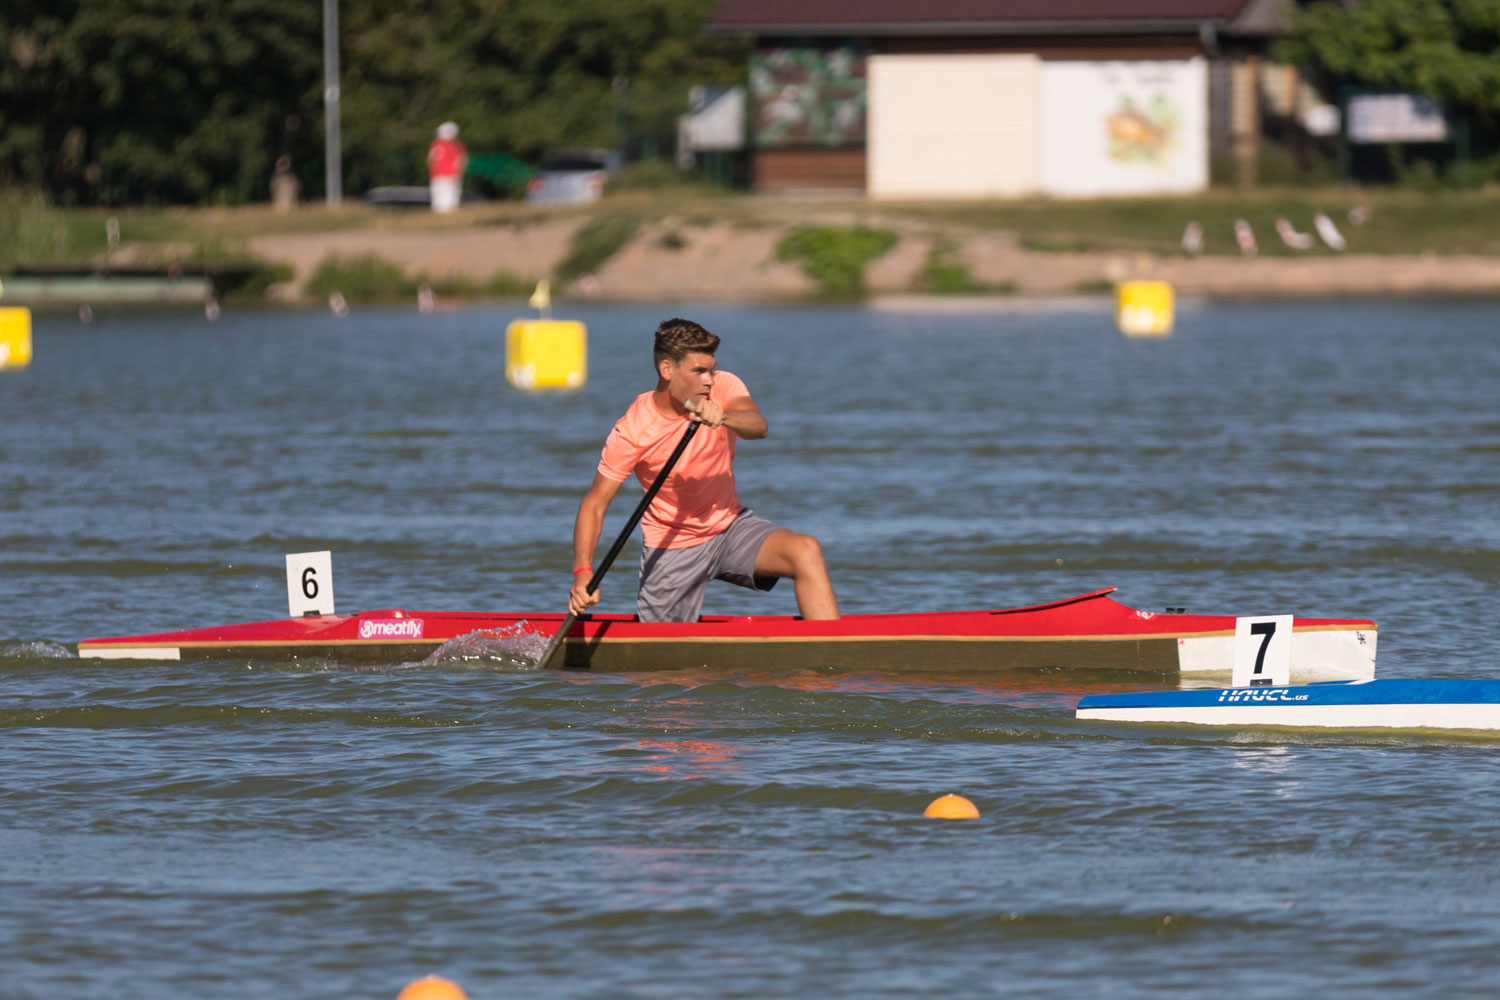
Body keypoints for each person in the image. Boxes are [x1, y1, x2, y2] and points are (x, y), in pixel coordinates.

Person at [569, 318, 839, 623]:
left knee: (805, 550)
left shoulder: (723, 386)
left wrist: (724, 416)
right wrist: (583, 572)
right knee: (665, 667)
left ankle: (832, 654)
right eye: (698, 371)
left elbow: (758, 426)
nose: (708, 379)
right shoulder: (633, 430)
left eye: (710, 369)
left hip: (730, 528)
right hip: (672, 548)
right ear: (667, 370)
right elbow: (594, 504)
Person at [427, 122, 467, 214]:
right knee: (451, 200)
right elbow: (460, 160)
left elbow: (430, 160)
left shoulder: (435, 144)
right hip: (451, 175)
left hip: (437, 175)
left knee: (438, 199)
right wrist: (459, 172)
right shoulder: (455, 145)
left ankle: (439, 217)